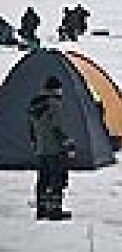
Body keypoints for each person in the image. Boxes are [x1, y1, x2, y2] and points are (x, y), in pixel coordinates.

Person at [28, 76, 75, 221]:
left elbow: (31, 129)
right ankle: (55, 209)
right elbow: (57, 127)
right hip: (54, 149)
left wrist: (35, 144)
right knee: (57, 179)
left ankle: (41, 209)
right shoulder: (54, 104)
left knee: (43, 178)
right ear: (56, 89)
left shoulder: (35, 106)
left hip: (41, 149)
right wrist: (67, 144)